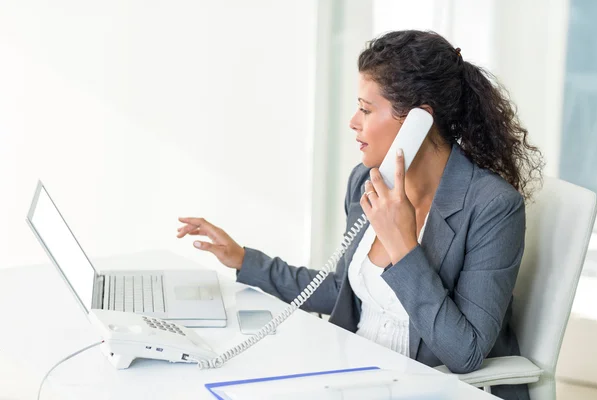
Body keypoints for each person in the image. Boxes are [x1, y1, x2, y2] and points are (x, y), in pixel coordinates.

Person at [176, 30, 543, 400]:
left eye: (366, 110)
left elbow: (465, 353)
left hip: (431, 388)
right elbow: (343, 292)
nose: (353, 121)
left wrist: (403, 247)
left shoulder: (492, 207)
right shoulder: (366, 182)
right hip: (356, 377)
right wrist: (243, 259)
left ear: (419, 120)